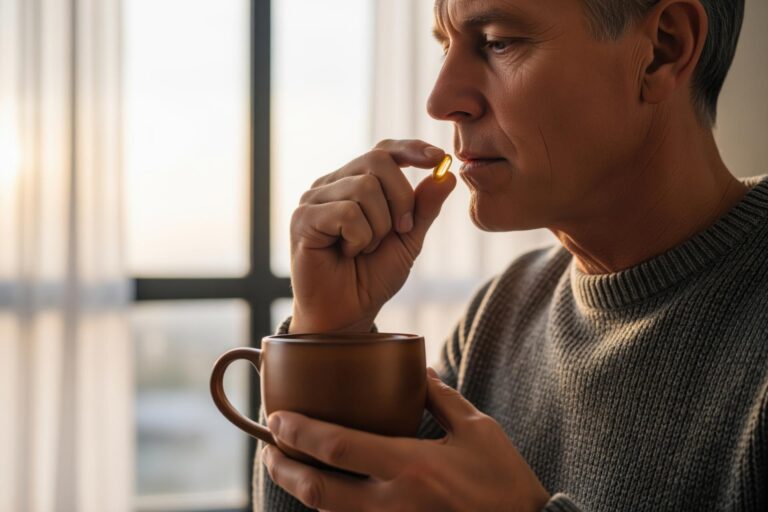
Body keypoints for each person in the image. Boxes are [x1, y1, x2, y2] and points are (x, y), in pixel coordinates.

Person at [256, 0, 767, 509]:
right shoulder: (498, 318)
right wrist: (327, 340)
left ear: (663, 50)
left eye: (499, 42)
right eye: (444, 45)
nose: (440, 100)